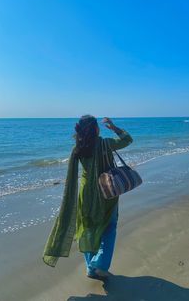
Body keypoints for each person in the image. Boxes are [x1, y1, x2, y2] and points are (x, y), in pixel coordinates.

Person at [43, 115, 133, 279]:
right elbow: (128, 139)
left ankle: (90, 269)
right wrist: (114, 127)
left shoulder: (78, 147)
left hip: (86, 194)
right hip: (107, 191)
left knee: (87, 230)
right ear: (96, 129)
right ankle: (99, 264)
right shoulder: (106, 143)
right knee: (109, 227)